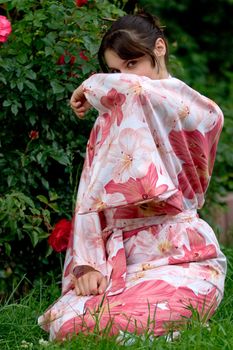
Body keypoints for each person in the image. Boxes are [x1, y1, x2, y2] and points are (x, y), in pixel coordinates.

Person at [38, 12, 227, 341]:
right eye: (114, 70)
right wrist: (87, 265)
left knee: (158, 312)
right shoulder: (109, 121)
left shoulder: (199, 110)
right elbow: (88, 196)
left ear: (159, 48)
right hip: (125, 259)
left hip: (184, 255)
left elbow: (140, 91)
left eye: (131, 63)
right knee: (67, 324)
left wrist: (93, 85)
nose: (122, 77)